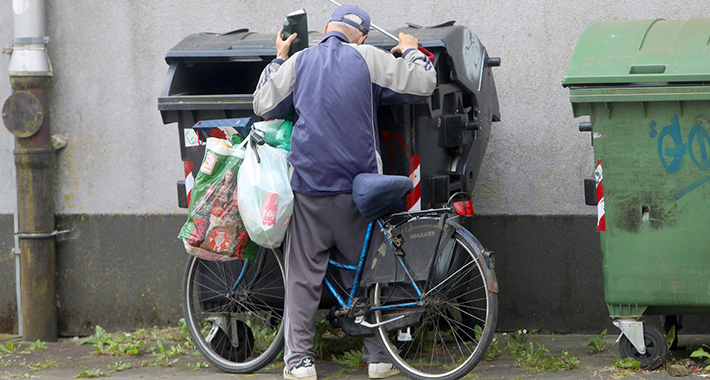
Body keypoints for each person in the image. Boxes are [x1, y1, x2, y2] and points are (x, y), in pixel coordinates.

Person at [252, 5, 436, 380]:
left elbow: (263, 104)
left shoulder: (300, 61)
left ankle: (300, 362)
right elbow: (424, 84)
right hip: (359, 190)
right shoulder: (370, 58)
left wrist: (278, 58)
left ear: (325, 30)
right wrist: (411, 48)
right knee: (365, 274)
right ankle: (379, 358)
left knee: (303, 276)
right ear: (362, 36)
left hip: (310, 187)